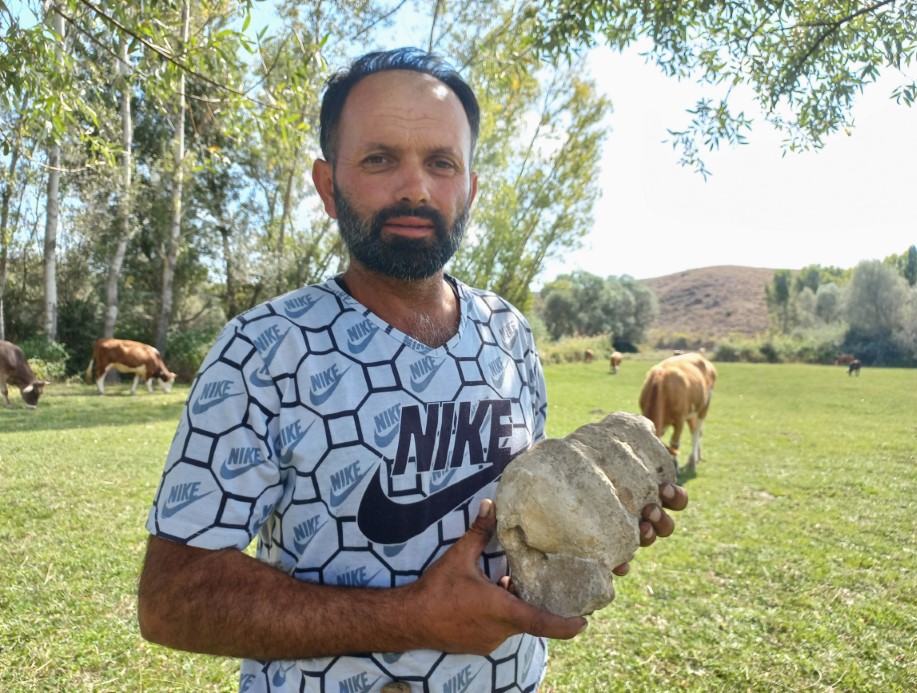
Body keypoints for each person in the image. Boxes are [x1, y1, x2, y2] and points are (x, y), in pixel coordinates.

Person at [137, 47, 688, 692]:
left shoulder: (509, 333)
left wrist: (594, 523)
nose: (415, 187)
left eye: (441, 162)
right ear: (327, 185)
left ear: (470, 188)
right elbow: (171, 598)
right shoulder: (263, 350)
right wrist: (412, 618)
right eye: (378, 158)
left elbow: (519, 524)